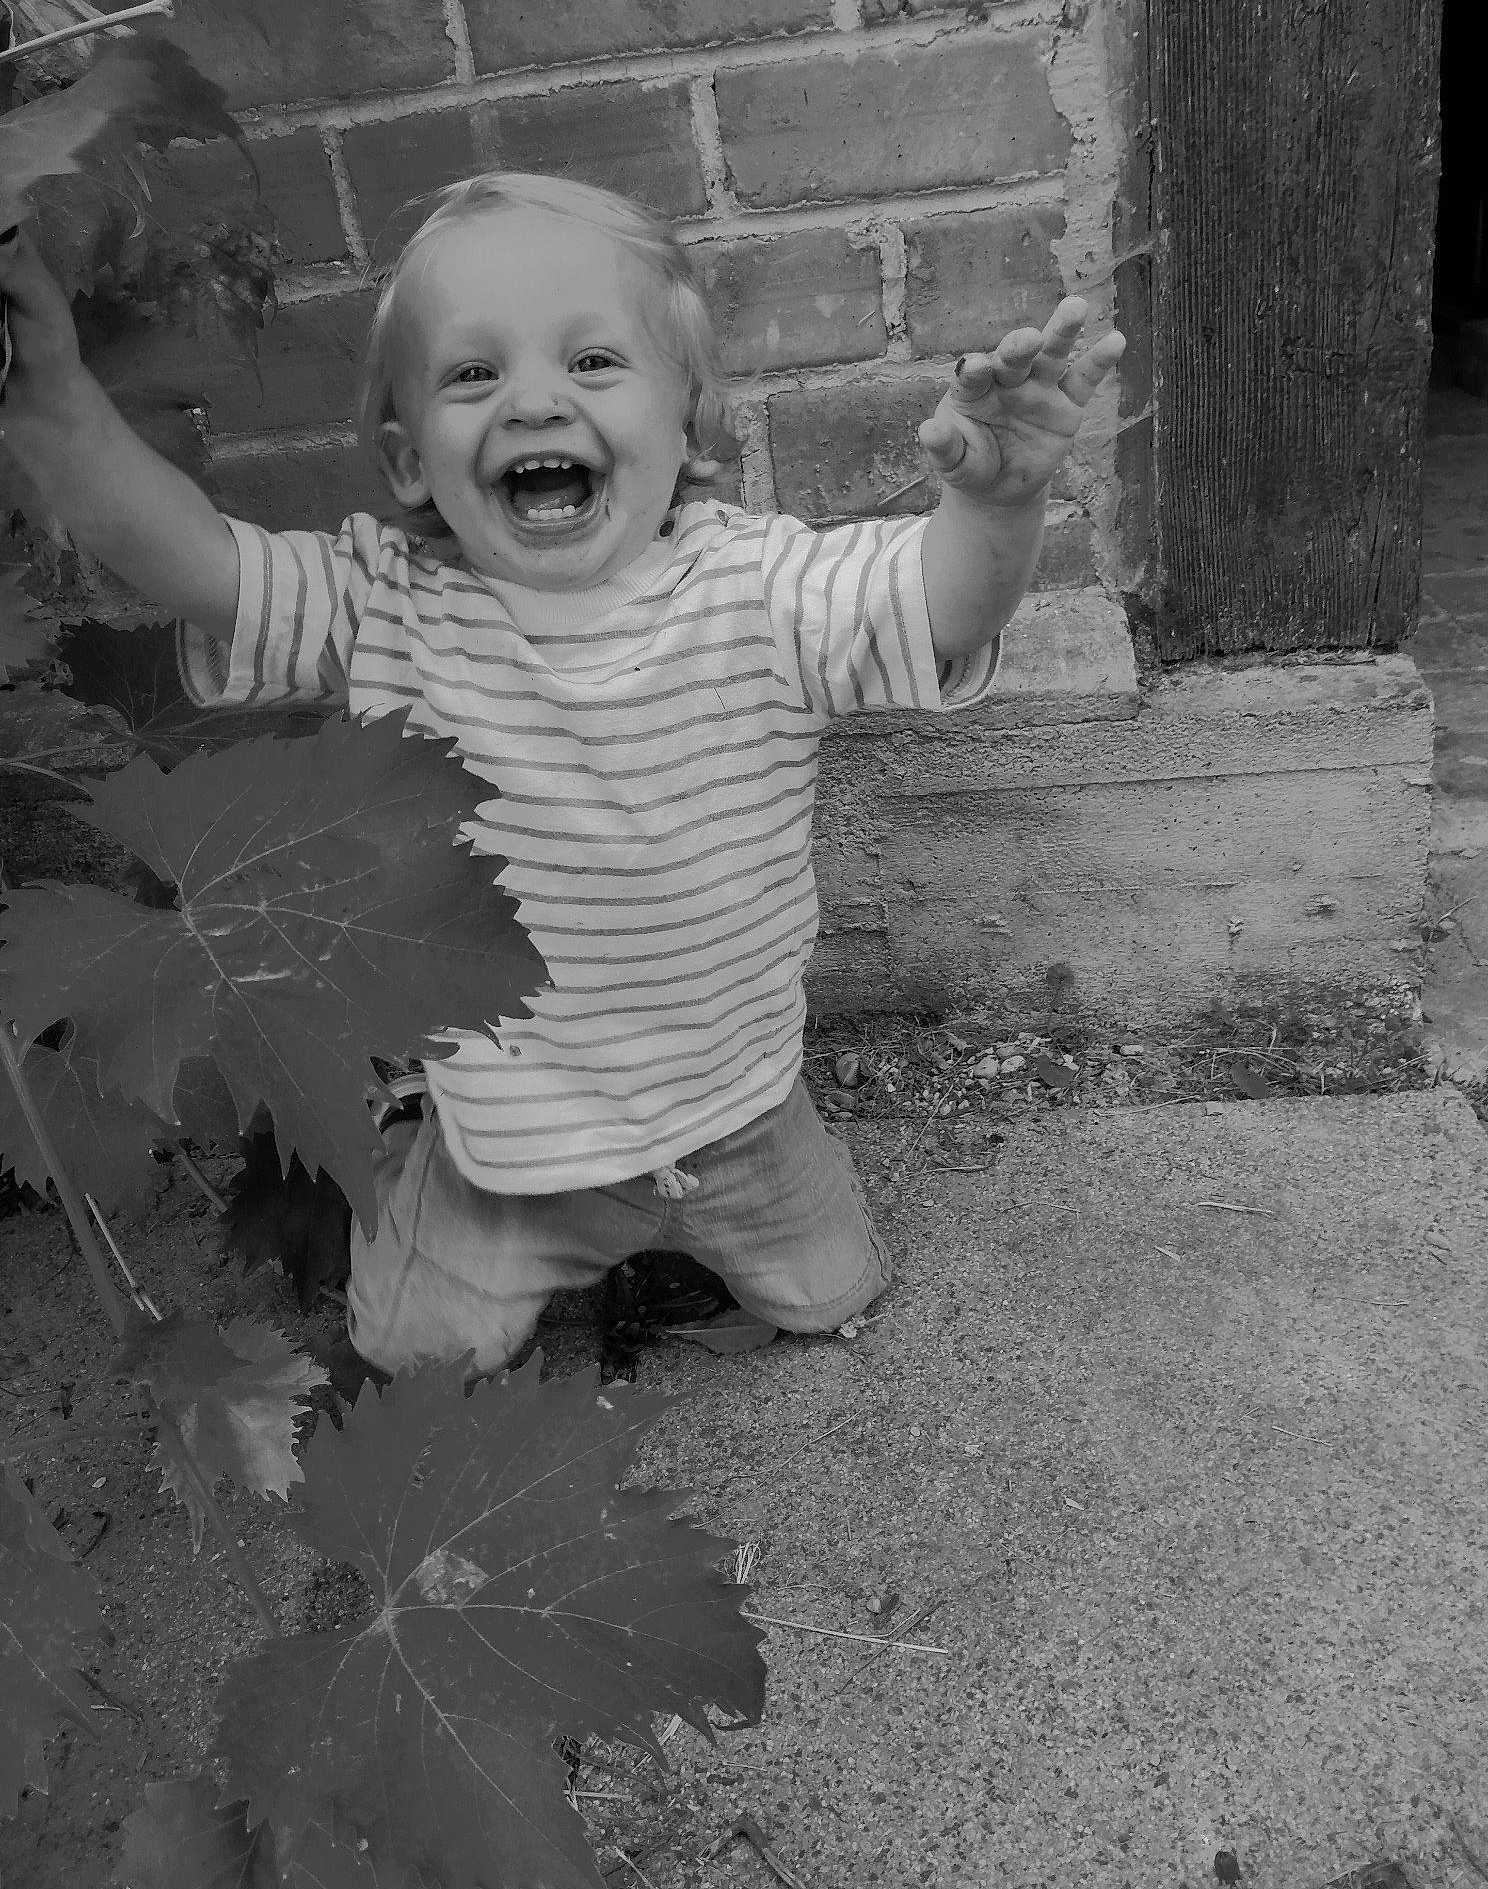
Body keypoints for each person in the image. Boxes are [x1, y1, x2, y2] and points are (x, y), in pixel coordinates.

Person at [0, 173, 1124, 1374]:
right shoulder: (383, 609)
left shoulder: (765, 587)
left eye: (591, 361)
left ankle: (728, 1232)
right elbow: (193, 560)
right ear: (410, 458)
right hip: (506, 1149)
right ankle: (411, 1142)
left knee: (834, 1294)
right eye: (473, 374)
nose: (534, 398)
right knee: (412, 1353)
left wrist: (998, 502)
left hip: (739, 1112)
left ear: (688, 423)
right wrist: (50, 390)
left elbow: (941, 606)